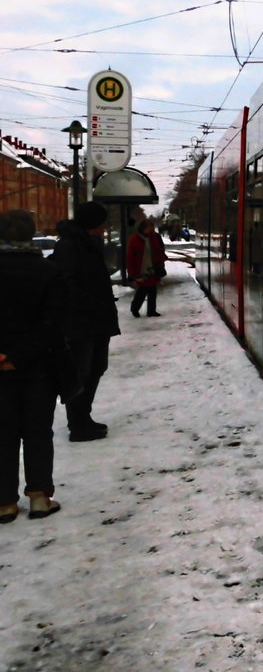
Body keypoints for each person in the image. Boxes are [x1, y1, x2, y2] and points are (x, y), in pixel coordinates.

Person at [0, 209, 69, 521]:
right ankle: (40, 497)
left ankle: (4, 503)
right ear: (31, 235)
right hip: (38, 365)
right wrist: (20, 356)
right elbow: (52, 324)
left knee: (3, 433)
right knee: (38, 431)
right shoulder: (48, 272)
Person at [49, 201, 120, 442]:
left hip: (95, 320)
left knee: (97, 368)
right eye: (102, 221)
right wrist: (92, 304)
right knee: (82, 372)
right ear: (93, 223)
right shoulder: (70, 247)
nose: (105, 226)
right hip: (81, 323)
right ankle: (78, 425)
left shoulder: (87, 243)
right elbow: (68, 285)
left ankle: (83, 418)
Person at [126, 218, 167, 318]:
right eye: (149, 228)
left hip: (153, 268)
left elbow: (159, 251)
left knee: (153, 290)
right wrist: (132, 272)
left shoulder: (154, 238)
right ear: (143, 228)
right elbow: (130, 257)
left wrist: (161, 260)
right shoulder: (135, 240)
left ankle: (151, 311)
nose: (151, 230)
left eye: (152, 228)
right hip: (141, 269)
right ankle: (135, 308)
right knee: (142, 290)